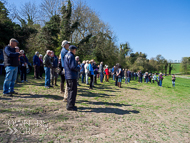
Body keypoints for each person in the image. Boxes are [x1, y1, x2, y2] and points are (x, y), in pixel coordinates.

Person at [64, 45, 80, 111]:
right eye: (75, 50)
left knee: (70, 90)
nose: (75, 51)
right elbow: (72, 66)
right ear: (73, 50)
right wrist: (78, 68)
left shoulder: (66, 55)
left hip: (67, 75)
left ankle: (68, 104)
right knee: (73, 91)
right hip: (72, 75)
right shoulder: (71, 56)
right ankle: (71, 106)